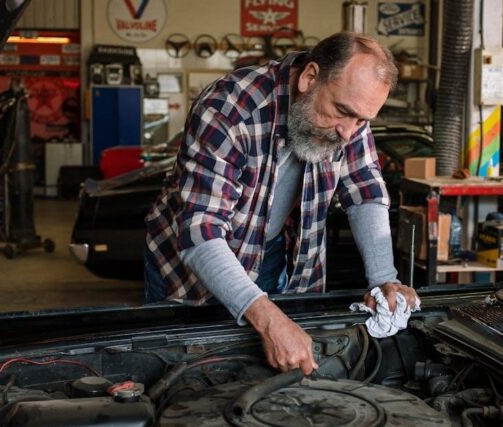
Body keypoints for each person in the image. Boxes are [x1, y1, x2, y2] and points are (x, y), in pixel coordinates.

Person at [145, 32, 419, 376]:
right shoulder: (229, 108)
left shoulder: (349, 114)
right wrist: (268, 319)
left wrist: (384, 279)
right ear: (309, 78)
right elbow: (201, 230)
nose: (349, 133)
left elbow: (365, 188)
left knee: (272, 372)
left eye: (361, 121)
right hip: (191, 270)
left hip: (276, 253)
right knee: (191, 375)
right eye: (343, 113)